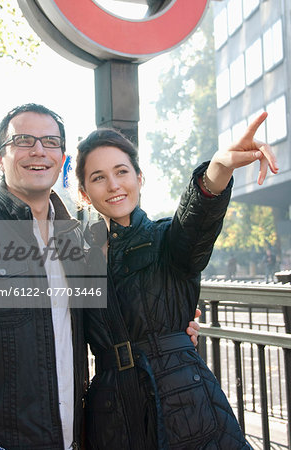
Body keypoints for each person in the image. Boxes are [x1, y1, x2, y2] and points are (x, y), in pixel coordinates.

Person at [0, 102, 199, 450]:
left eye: (50, 141)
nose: (38, 150)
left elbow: (112, 318)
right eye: (23, 140)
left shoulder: (78, 244)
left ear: (62, 157)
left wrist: (169, 325)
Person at [75, 111, 278, 449]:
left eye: (122, 171)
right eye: (98, 177)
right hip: (112, 417)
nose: (113, 185)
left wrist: (220, 168)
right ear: (84, 193)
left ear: (140, 178)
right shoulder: (76, 261)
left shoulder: (167, 240)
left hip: (186, 404)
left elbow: (196, 220)